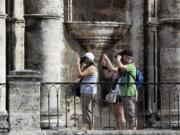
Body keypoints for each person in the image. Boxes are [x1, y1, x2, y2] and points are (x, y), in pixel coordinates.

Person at [103, 49, 137, 130]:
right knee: (126, 114)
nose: (121, 59)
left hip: (130, 93)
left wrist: (118, 58)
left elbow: (120, 66)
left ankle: (133, 131)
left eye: (122, 57)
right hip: (124, 93)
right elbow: (112, 69)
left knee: (130, 114)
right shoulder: (125, 69)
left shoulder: (131, 66)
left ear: (127, 57)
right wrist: (106, 60)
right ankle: (128, 130)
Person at [101, 57, 125, 129]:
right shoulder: (117, 70)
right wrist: (104, 65)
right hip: (115, 94)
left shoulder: (122, 69)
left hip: (121, 93)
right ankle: (118, 129)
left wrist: (106, 58)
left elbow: (112, 69)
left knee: (120, 113)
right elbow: (107, 75)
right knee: (115, 114)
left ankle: (123, 131)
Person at [76, 52, 98, 130]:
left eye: (85, 59)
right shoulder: (88, 67)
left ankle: (91, 128)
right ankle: (89, 127)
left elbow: (80, 74)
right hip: (85, 91)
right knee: (85, 110)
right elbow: (79, 75)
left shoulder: (92, 67)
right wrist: (82, 66)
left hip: (88, 91)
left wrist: (78, 64)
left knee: (87, 110)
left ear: (89, 59)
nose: (84, 60)